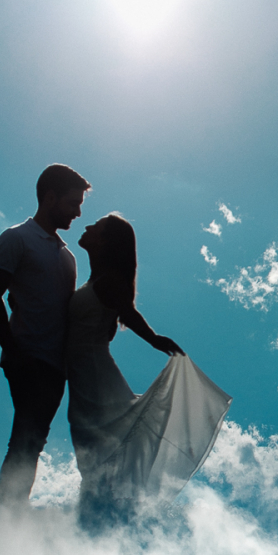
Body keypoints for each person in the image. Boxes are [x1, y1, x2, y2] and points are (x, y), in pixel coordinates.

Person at [66, 212, 230, 518]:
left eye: (96, 227)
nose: (87, 226)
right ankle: (97, 519)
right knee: (93, 455)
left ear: (106, 242)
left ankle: (103, 520)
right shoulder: (94, 279)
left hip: (96, 379)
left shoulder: (108, 282)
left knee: (101, 453)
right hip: (82, 380)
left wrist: (153, 338)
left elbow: (127, 313)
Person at [0, 164, 89, 504]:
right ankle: (7, 515)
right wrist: (13, 351)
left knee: (33, 440)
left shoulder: (68, 257)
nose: (78, 212)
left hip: (56, 367)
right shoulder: (17, 238)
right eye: (72, 203)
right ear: (50, 197)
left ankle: (11, 512)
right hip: (28, 358)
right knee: (27, 439)